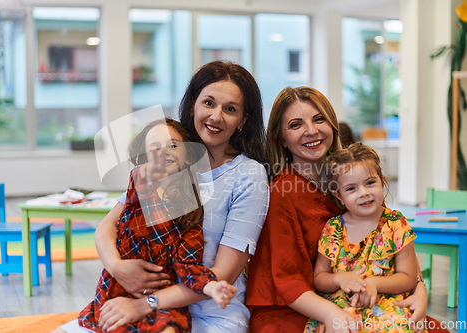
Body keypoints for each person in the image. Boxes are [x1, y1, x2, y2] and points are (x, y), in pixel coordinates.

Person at [246, 86, 448, 333]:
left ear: (332, 125)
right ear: (281, 139)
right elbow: (287, 283)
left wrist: (420, 291)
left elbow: (394, 241)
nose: (311, 130)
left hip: (367, 296)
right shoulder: (281, 193)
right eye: (296, 124)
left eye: (319, 119)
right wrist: (334, 315)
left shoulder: (356, 177)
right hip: (295, 307)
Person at [89, 61, 269, 333]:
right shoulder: (169, 161)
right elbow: (108, 226)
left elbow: (223, 274)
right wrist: (117, 267)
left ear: (243, 120)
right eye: (208, 103)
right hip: (140, 304)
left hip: (210, 312)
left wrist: (145, 304)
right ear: (193, 105)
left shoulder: (249, 175)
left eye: (230, 109)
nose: (216, 116)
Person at [55, 118, 237, 333]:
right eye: (155, 148)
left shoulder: (191, 212)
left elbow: (188, 265)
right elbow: (108, 224)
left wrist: (211, 286)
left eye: (173, 145)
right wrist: (115, 265)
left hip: (161, 296)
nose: (165, 152)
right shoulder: (139, 186)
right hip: (118, 290)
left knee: (168, 330)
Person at [304, 142, 420, 333]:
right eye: (351, 188)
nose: (364, 193)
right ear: (339, 196)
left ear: (382, 181)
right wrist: (340, 280)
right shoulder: (333, 229)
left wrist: (374, 283)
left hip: (385, 303)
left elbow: (408, 278)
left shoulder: (396, 223)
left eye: (370, 183)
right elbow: (320, 278)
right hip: (342, 305)